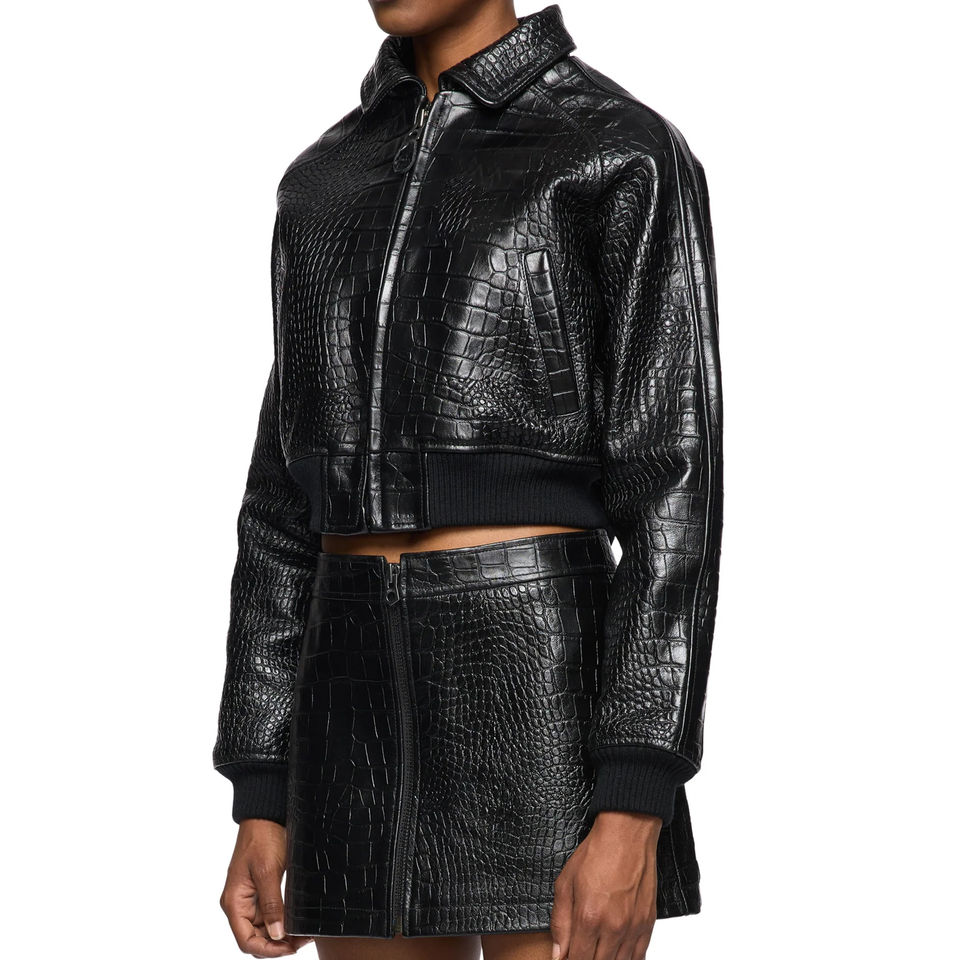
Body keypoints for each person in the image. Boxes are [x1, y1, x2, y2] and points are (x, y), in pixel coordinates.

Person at [212, 2, 722, 959]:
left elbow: (675, 489)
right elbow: (280, 502)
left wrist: (636, 795)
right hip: (346, 686)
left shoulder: (617, 149)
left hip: (534, 675)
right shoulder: (323, 180)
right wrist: (262, 786)